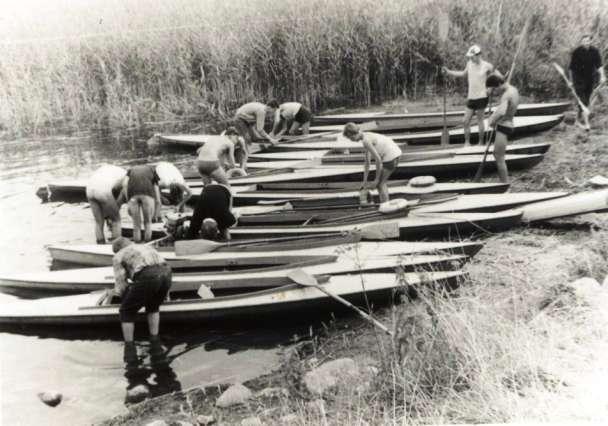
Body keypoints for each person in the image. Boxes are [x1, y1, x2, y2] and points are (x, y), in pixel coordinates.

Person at [107, 237, 172, 345]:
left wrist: (119, 296)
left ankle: (129, 347)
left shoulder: (118, 256)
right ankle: (154, 339)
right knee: (153, 307)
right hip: (167, 272)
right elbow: (161, 268)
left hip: (149, 275)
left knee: (126, 311)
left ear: (117, 249)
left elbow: (121, 284)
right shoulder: (145, 246)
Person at [442, 45, 497, 146]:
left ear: (478, 55)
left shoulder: (486, 65)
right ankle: (467, 142)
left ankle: (481, 143)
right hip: (471, 97)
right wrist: (449, 72)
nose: (471, 58)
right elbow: (463, 74)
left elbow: (496, 76)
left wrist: (490, 88)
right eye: (470, 56)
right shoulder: (469, 64)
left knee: (480, 120)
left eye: (473, 56)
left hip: (482, 96)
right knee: (465, 121)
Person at [342, 122, 402, 203]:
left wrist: (376, 180)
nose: (351, 140)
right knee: (381, 183)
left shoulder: (366, 141)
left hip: (390, 156)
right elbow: (367, 162)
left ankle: (385, 206)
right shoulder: (366, 136)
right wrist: (364, 182)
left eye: (350, 138)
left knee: (380, 184)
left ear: (353, 134)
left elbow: (378, 160)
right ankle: (385, 204)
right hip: (396, 153)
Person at [486, 74, 520, 184]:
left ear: (499, 85)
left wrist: (492, 120)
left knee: (498, 156)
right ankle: (504, 183)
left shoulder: (506, 94)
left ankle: (505, 184)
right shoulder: (513, 90)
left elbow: (501, 112)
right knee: (498, 155)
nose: (495, 93)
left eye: (494, 90)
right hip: (508, 123)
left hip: (504, 125)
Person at [569, 34, 606, 130]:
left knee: (585, 101)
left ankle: (577, 120)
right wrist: (570, 81)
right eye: (584, 41)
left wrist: (602, 76)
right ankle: (587, 124)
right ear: (581, 42)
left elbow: (599, 65)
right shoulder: (576, 52)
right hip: (578, 80)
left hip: (590, 79)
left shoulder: (595, 51)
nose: (586, 42)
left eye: (588, 41)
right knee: (583, 101)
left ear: (591, 41)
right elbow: (571, 68)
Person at [85, 164, 127, 244]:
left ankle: (100, 244)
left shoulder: (104, 169)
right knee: (116, 220)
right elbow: (124, 193)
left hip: (89, 190)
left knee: (98, 222)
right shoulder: (125, 174)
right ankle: (116, 246)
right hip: (103, 190)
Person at [122, 165, 162, 243]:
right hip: (148, 195)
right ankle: (147, 244)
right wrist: (158, 200)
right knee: (147, 223)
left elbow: (124, 184)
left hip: (133, 196)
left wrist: (128, 199)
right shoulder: (152, 169)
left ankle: (137, 245)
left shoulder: (130, 169)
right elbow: (156, 186)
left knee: (136, 224)